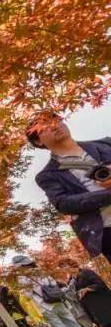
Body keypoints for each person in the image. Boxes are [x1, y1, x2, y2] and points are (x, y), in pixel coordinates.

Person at [28, 110, 111, 261]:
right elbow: (64, 204)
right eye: (44, 126)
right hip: (106, 231)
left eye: (56, 120)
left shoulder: (106, 143)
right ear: (38, 141)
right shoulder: (47, 175)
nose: (54, 126)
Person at [11, 255, 98, 327]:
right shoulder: (41, 271)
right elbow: (53, 284)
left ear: (20, 265)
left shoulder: (23, 277)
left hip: (45, 307)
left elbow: (27, 295)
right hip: (58, 302)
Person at [58, 259, 111, 327]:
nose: (63, 269)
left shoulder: (86, 272)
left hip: (105, 306)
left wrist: (87, 289)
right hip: (94, 312)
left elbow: (100, 284)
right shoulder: (71, 281)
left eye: (64, 266)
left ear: (71, 264)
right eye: (61, 267)